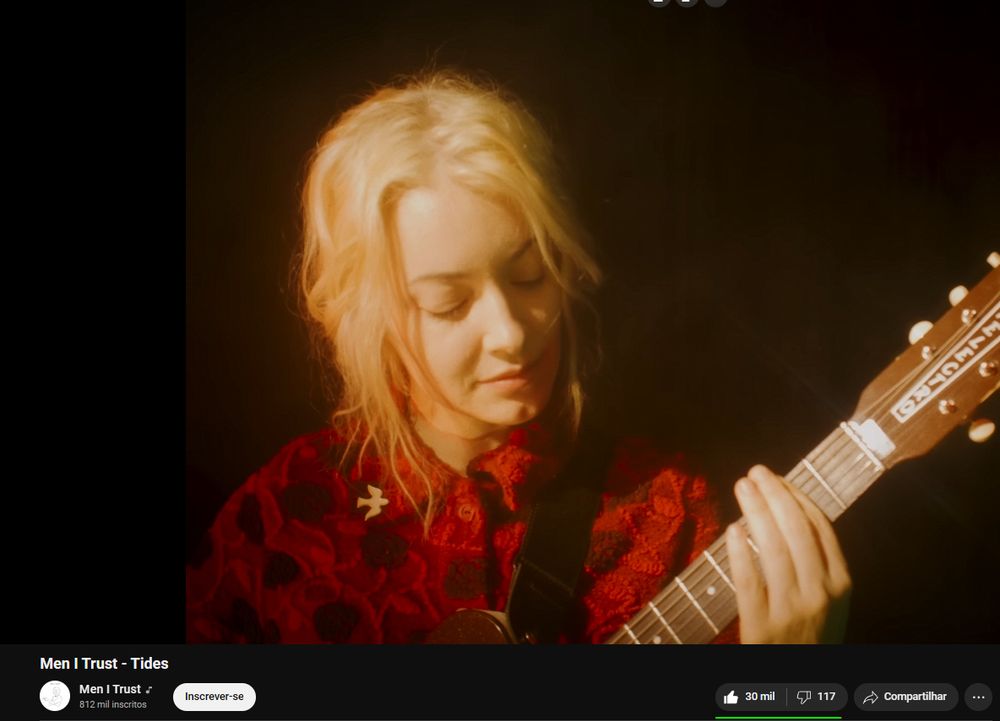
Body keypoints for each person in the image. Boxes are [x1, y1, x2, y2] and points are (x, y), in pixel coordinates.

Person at [186, 70, 851, 644]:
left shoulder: (668, 509)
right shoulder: (282, 520)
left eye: (530, 275)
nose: (510, 332)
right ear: (369, 319)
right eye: (448, 303)